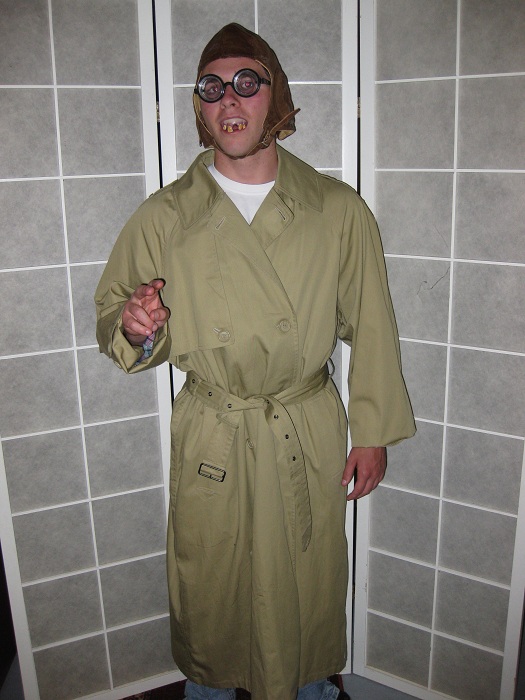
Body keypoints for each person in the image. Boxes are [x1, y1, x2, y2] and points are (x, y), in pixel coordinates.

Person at [95, 23, 415, 700]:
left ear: (277, 98)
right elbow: (115, 313)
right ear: (198, 108)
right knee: (213, 589)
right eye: (210, 88)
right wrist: (134, 324)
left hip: (304, 424)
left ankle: (311, 690)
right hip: (214, 426)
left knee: (302, 585)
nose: (229, 99)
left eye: (247, 82)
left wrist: (373, 433)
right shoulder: (166, 215)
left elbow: (372, 326)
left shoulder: (336, 210)